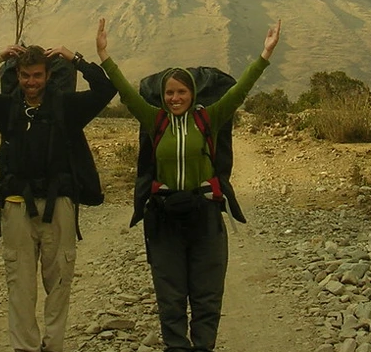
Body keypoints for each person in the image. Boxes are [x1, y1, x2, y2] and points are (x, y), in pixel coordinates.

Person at [95, 18, 281, 352]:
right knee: (170, 294)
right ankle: (176, 346)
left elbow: (240, 91)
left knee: (207, 293)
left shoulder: (209, 118)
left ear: (192, 94)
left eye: (181, 92)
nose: (175, 98)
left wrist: (265, 55)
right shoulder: (155, 120)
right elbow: (126, 92)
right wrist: (104, 56)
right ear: (162, 96)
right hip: (165, 218)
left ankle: (203, 346)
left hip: (205, 216)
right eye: (169, 92)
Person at [0, 44, 116, 352]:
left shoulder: (67, 107)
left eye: (37, 75)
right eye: (25, 76)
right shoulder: (7, 108)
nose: (31, 82)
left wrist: (75, 58)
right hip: (17, 204)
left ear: (48, 75)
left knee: (60, 281)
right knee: (20, 282)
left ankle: (53, 345)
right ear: (17, 75)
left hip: (60, 204)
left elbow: (106, 89)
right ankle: (25, 347)